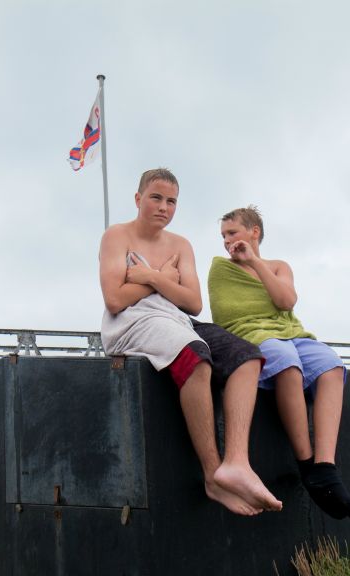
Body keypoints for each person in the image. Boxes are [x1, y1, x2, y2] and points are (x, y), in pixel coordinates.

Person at [99, 169, 282, 517]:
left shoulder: (180, 244)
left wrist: (152, 276)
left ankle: (237, 462)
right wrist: (166, 280)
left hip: (178, 318)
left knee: (246, 356)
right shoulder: (116, 236)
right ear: (138, 199)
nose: (163, 207)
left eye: (171, 201)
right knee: (195, 356)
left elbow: (193, 302)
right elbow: (115, 299)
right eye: (156, 197)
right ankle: (213, 475)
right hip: (133, 321)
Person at [208, 205, 350, 522]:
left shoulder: (278, 266)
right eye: (223, 236)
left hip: (291, 332)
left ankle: (325, 467)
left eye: (233, 233)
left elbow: (286, 302)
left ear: (254, 232)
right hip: (250, 333)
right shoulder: (220, 270)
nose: (227, 241)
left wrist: (254, 262)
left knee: (331, 365)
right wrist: (244, 265)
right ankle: (306, 464)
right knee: (286, 362)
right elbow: (227, 313)